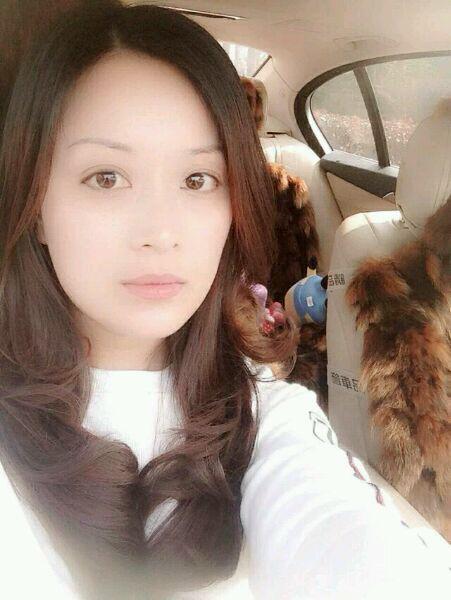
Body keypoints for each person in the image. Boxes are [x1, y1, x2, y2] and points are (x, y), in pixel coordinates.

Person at [0, 2, 449, 599]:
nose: (162, 232)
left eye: (197, 180)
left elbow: (346, 535)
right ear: (35, 206)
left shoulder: (265, 410)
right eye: (106, 177)